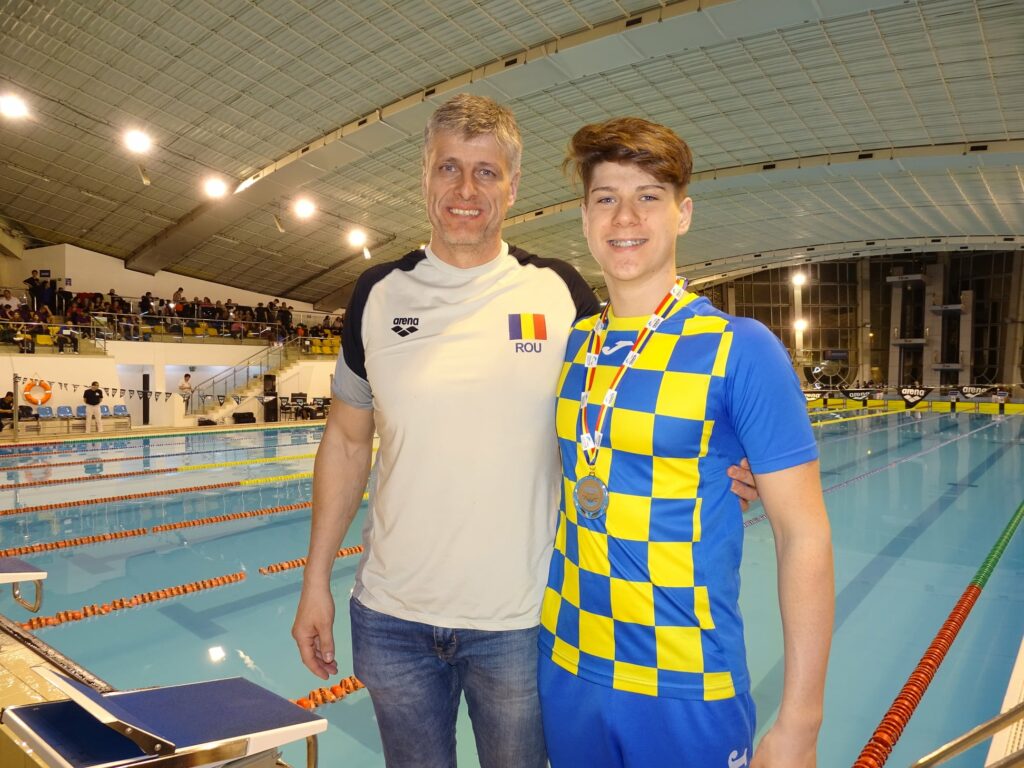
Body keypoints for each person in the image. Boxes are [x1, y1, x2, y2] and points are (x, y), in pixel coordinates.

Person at [292, 95, 759, 768]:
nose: (465, 189)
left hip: (522, 624)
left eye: (486, 171)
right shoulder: (376, 294)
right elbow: (344, 441)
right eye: (449, 167)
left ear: (513, 186)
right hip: (392, 620)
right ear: (424, 175)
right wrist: (314, 581)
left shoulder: (560, 292)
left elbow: (633, 388)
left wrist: (729, 461)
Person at [538, 117, 833, 768]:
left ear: (684, 213)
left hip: (686, 682)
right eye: (606, 197)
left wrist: (801, 723)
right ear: (585, 218)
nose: (625, 217)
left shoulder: (739, 348)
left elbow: (805, 535)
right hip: (566, 666)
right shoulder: (572, 345)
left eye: (648, 196)